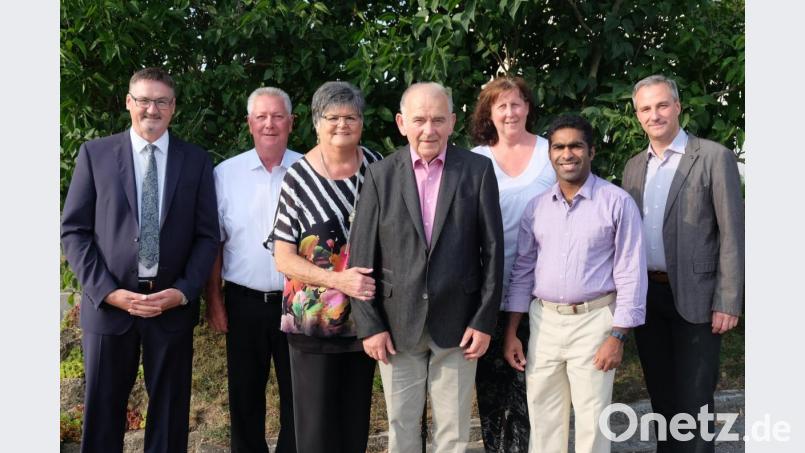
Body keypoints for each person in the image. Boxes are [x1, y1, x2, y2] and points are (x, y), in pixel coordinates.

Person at [61, 67, 219, 453]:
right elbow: (74, 231)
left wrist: (182, 293)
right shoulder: (95, 154)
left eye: (162, 101)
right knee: (102, 414)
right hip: (110, 308)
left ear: (173, 107)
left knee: (169, 415)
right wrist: (107, 291)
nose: (153, 109)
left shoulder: (196, 161)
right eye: (144, 100)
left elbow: (207, 236)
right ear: (129, 103)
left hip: (170, 308)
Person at [349, 82, 504, 453]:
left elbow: (494, 251)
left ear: (452, 122)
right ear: (402, 123)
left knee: (453, 432)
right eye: (419, 120)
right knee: (401, 428)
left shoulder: (478, 170)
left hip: (460, 325)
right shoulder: (380, 176)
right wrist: (370, 326)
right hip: (396, 325)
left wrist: (484, 321)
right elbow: (361, 261)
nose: (428, 129)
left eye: (438, 119)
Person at [503, 115, 647, 453]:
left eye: (575, 145)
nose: (567, 153)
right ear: (550, 154)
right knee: (544, 418)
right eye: (559, 146)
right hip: (545, 323)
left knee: (592, 421)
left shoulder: (617, 203)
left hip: (596, 322)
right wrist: (512, 331)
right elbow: (523, 271)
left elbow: (631, 273)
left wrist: (618, 336)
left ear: (591, 151)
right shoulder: (536, 208)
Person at [621, 75, 744, 453]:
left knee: (694, 403)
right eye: (645, 108)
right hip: (649, 299)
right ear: (638, 115)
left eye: (661, 105)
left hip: (699, 299)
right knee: (662, 401)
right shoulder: (633, 167)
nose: (654, 114)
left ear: (677, 106)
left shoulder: (712, 157)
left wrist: (728, 300)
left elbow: (733, 235)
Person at [268, 81, 383, 453]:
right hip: (313, 324)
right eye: (332, 117)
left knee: (354, 429)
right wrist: (338, 280)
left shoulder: (377, 167)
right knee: (316, 433)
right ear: (316, 123)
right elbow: (283, 257)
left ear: (362, 122)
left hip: (366, 320)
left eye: (350, 117)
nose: (342, 125)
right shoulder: (297, 178)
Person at [204, 87, 301, 453]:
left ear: (291, 123)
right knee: (245, 396)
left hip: (297, 300)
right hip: (244, 303)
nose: (269, 124)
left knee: (298, 397)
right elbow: (214, 241)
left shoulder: (310, 169)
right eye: (261, 117)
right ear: (249, 123)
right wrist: (214, 299)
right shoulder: (225, 174)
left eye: (278, 116)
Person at [469, 76, 555, 453]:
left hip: (542, 292)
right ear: (489, 112)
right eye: (500, 105)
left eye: (516, 103)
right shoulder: (475, 160)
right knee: (491, 392)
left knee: (535, 390)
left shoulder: (551, 153)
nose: (509, 112)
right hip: (487, 292)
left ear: (528, 107)